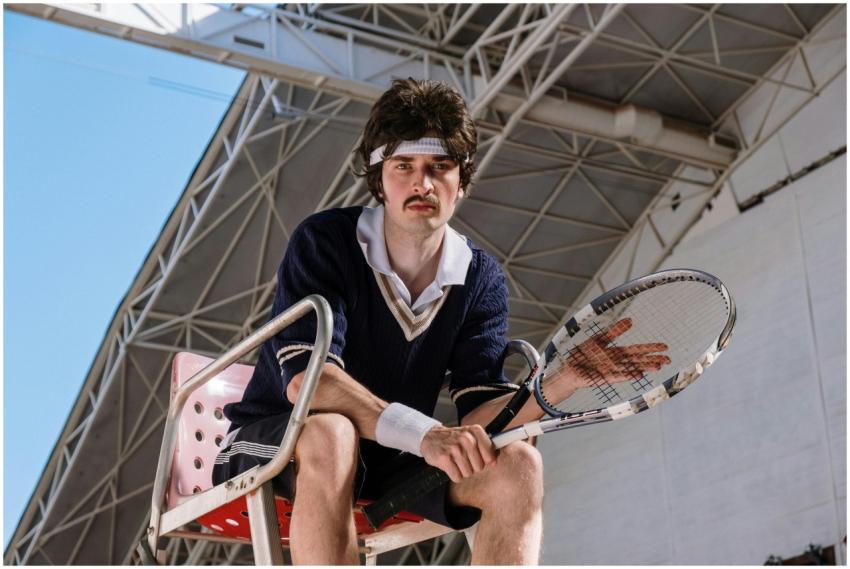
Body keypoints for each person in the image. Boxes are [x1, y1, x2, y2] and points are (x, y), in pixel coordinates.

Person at [213, 78, 668, 565]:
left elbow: (478, 418)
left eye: (440, 167)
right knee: (332, 432)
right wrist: (428, 435)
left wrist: (557, 385)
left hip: (390, 462)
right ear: (379, 178)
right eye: (403, 166)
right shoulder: (326, 241)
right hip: (276, 442)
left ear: (463, 180)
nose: (421, 183)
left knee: (518, 464)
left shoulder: (480, 278)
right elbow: (309, 384)